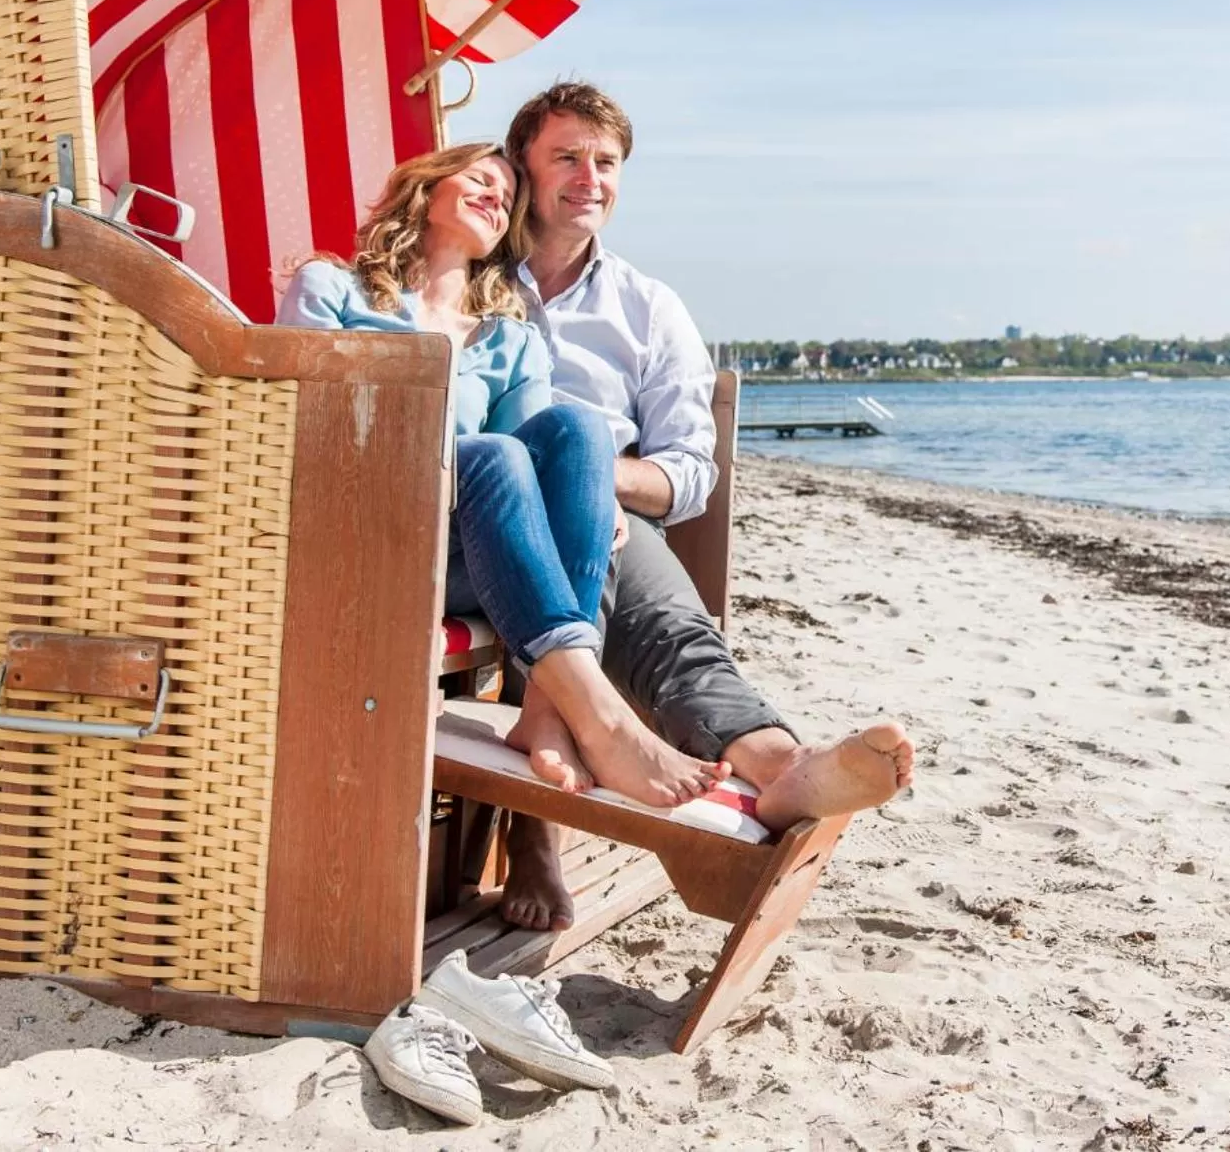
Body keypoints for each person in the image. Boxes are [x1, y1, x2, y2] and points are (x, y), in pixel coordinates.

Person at [493, 82, 917, 932]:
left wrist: (593, 483)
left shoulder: (647, 308)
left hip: (610, 523)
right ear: (521, 169)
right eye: (566, 156)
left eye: (605, 162)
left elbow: (689, 470)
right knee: (547, 487)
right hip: (476, 528)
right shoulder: (470, 276)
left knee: (671, 630)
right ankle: (539, 830)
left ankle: (781, 763)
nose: (589, 177)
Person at [275, 140, 728, 809]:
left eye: (507, 197)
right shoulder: (332, 289)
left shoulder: (512, 339)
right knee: (492, 452)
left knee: (574, 430)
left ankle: (547, 706)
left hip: (468, 562)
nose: (496, 196)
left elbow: (540, 464)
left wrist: (593, 499)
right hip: (361, 532)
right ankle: (597, 715)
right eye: (480, 179)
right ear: (426, 188)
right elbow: (291, 421)